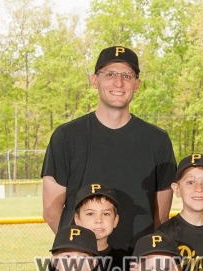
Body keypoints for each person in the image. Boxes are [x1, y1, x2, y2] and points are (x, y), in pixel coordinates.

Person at [42, 45, 176, 252]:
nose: (119, 82)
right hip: (82, 263)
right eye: (110, 74)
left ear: (137, 84)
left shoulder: (157, 140)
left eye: (127, 76)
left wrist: (145, 256)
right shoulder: (66, 136)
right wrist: (78, 249)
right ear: (94, 80)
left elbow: (161, 215)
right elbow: (51, 212)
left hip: (136, 265)